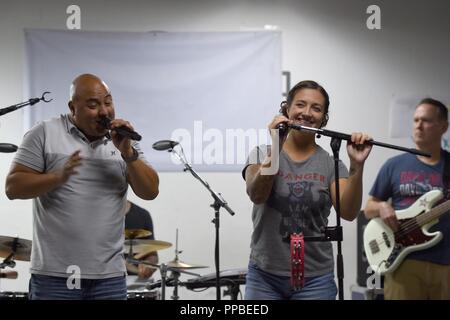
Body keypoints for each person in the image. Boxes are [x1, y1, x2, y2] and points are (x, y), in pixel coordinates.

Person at [4, 73, 159, 300]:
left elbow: (150, 191)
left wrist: (128, 153)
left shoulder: (124, 142)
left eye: (108, 102)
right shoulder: (44, 133)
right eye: (93, 105)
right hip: (55, 276)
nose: (104, 112)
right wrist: (57, 177)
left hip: (110, 278)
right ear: (72, 107)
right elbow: (13, 187)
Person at [242, 80, 372, 300]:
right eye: (300, 105)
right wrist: (276, 144)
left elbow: (349, 213)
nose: (307, 113)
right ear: (287, 110)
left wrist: (357, 165)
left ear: (323, 119)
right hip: (265, 277)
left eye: (316, 108)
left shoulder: (330, 164)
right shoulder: (260, 154)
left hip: (315, 279)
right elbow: (257, 195)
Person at [364, 98, 450, 299]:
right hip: (403, 262)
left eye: (426, 120)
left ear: (443, 127)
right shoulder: (394, 165)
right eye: (415, 120)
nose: (418, 125)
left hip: (446, 263)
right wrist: (382, 207)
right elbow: (368, 208)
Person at [124, 200, 158, 285]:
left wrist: (148, 264)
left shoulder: (143, 215)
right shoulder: (98, 215)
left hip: (137, 282)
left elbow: (152, 254)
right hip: (104, 281)